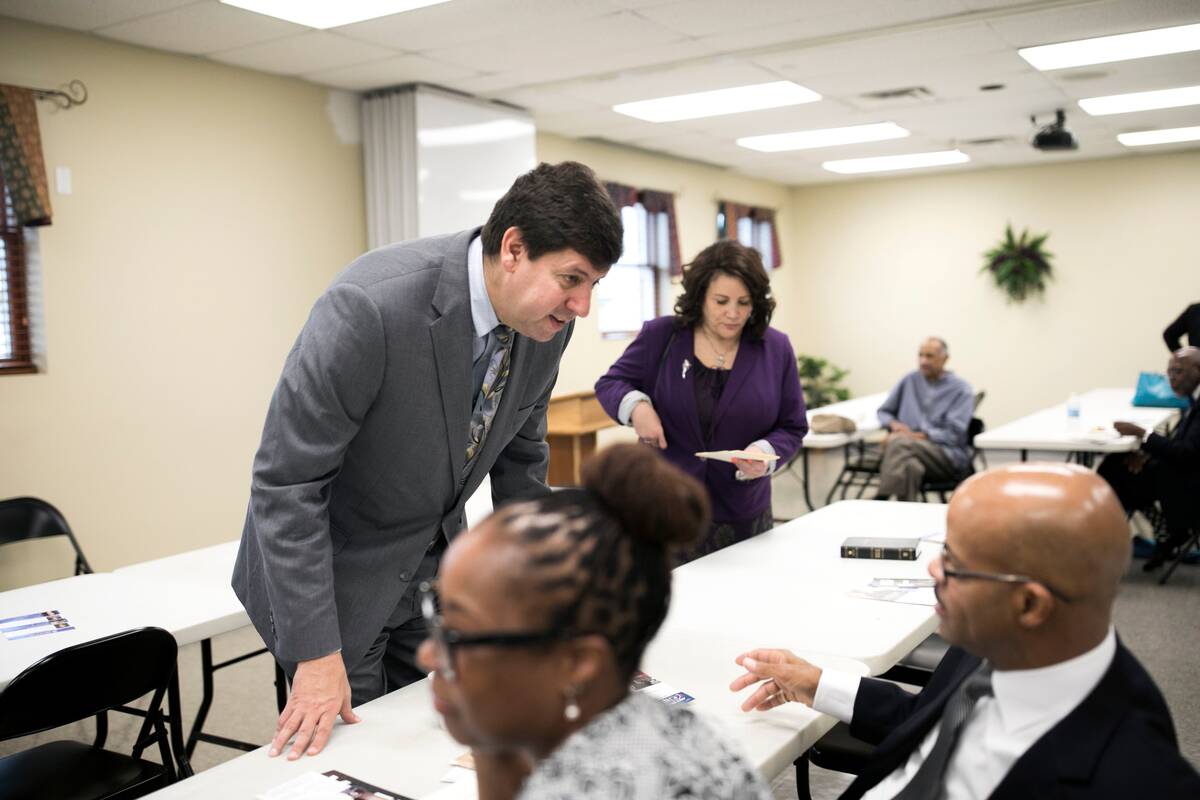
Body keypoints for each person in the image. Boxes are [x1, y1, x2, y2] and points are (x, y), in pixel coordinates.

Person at [232, 161, 624, 759]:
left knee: (438, 743)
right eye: (572, 278)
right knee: (356, 761)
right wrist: (315, 656)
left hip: (431, 566)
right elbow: (287, 486)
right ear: (514, 248)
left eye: (593, 284)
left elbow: (522, 461)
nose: (583, 306)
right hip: (337, 581)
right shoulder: (369, 307)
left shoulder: (546, 327)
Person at [729, 463, 1200, 799]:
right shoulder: (997, 646)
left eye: (955, 562)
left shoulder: (1135, 778)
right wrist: (816, 683)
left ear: (1029, 604)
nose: (933, 568)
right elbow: (927, 720)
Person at [418, 444, 773, 800]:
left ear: (578, 663)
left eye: (459, 635)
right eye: (440, 618)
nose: (428, 658)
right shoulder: (675, 730)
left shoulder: (587, 790)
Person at [594, 240, 807, 563]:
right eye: (721, 301)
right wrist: (637, 407)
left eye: (744, 303)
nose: (733, 314)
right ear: (700, 296)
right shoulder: (662, 336)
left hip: (742, 515)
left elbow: (792, 426)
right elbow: (611, 383)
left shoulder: (775, 348)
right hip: (665, 508)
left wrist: (763, 453)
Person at [1101, 346, 1200, 571]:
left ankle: (1105, 542)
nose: (1171, 378)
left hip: (1188, 484)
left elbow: (1185, 453)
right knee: (1119, 463)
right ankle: (1164, 530)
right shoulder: (1193, 399)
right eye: (1169, 372)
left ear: (1197, 370)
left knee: (1112, 473)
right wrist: (1147, 452)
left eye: (1178, 372)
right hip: (1182, 470)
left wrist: (1142, 434)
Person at [874, 337, 974, 501]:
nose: (923, 361)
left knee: (898, 443)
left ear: (945, 359)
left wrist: (918, 436)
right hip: (907, 450)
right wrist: (894, 424)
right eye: (920, 355)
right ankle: (905, 518)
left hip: (945, 455)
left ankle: (881, 499)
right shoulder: (909, 380)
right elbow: (884, 412)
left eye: (930, 356)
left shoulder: (961, 389)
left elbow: (954, 434)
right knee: (910, 467)